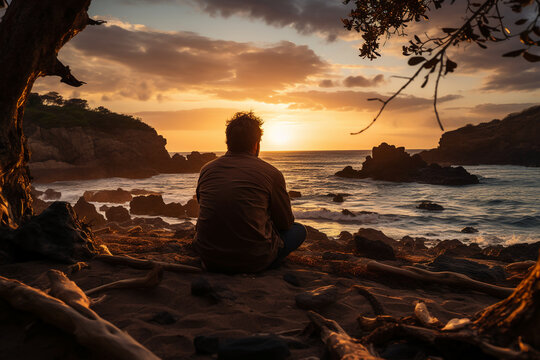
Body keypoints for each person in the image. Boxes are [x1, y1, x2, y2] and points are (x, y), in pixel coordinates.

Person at [194, 111, 306, 273]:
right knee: (299, 230)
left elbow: (205, 208)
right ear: (256, 143)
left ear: (228, 141)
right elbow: (285, 223)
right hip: (254, 261)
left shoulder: (207, 169)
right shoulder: (271, 173)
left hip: (209, 258)